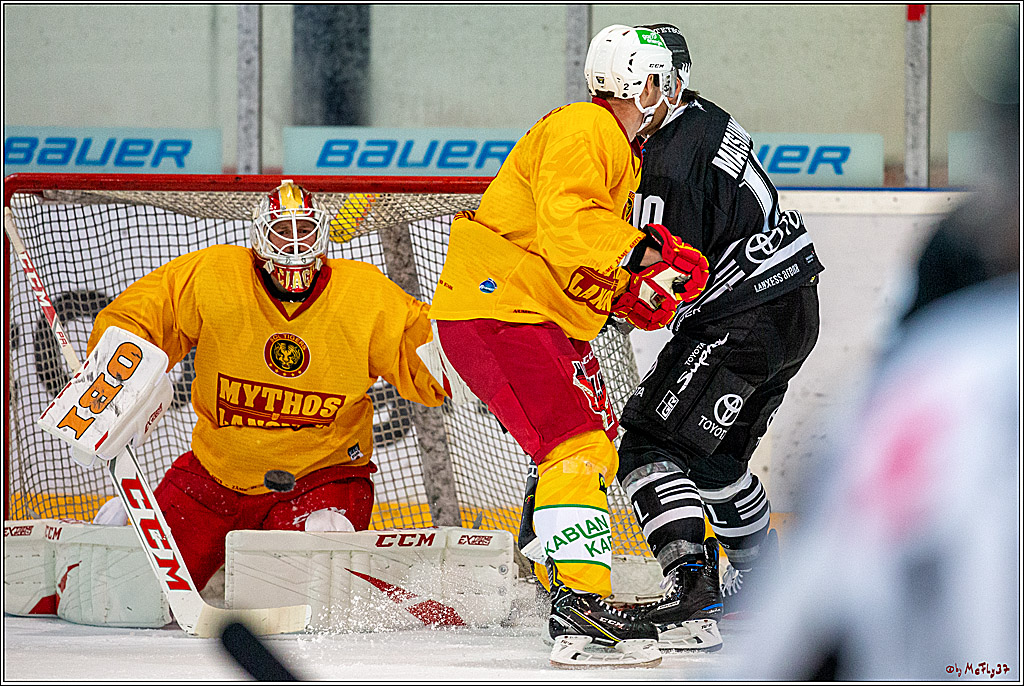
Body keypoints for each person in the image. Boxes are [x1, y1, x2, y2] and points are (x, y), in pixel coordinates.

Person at [426, 25, 710, 668]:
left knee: (586, 447)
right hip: (500, 311)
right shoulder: (589, 129)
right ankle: (581, 615)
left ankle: (566, 593)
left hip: (529, 312)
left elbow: (560, 243)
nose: (670, 96)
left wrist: (620, 290)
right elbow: (571, 222)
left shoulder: (612, 145)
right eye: (664, 81)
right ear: (645, 82)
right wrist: (644, 254)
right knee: (575, 448)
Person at [87, 180, 447, 592]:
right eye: (282, 233)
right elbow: (144, 317)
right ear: (260, 238)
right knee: (132, 591)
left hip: (320, 477)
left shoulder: (364, 293)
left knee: (307, 586)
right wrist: (114, 373)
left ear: (323, 234)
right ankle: (123, 537)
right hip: (215, 475)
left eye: (305, 232)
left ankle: (315, 545)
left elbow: (427, 355)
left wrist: (481, 368)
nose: (295, 247)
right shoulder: (215, 275)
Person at [612, 23, 824, 650]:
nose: (630, 103)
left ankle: (692, 585)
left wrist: (596, 302)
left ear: (671, 83)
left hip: (743, 316)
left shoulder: (669, 160)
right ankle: (764, 590)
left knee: (649, 443)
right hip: (792, 310)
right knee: (714, 463)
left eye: (641, 87)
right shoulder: (706, 121)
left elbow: (667, 273)